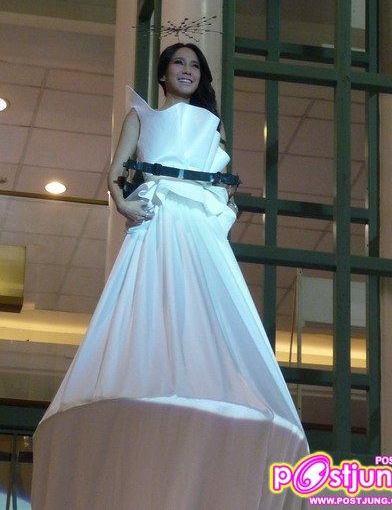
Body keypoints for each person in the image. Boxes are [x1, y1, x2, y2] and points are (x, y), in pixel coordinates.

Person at [31, 42, 310, 510]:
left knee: (206, 305)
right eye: (179, 63)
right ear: (162, 74)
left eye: (194, 65)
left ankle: (195, 379)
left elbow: (222, 180)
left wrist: (224, 205)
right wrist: (125, 203)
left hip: (199, 224)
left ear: (202, 76)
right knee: (154, 298)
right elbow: (116, 173)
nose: (187, 70)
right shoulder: (142, 116)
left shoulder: (212, 125)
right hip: (159, 215)